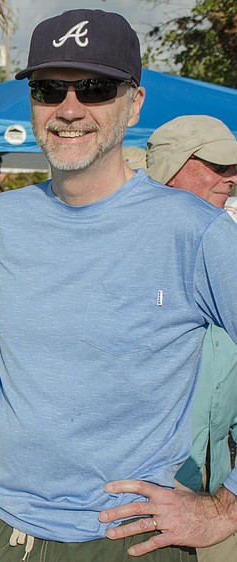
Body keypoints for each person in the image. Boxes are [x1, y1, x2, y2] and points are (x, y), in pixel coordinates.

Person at [0, 9, 237, 561]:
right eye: (50, 89)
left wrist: (224, 508)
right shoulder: (3, 221)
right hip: (3, 531)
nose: (69, 110)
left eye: (95, 88)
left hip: (131, 540)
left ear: (134, 103)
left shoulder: (195, 232)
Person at [146, 115, 237, 562]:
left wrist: (228, 503)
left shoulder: (226, 254)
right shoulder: (126, 255)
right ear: (170, 168)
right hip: (138, 500)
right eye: (219, 166)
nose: (232, 177)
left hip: (217, 488)